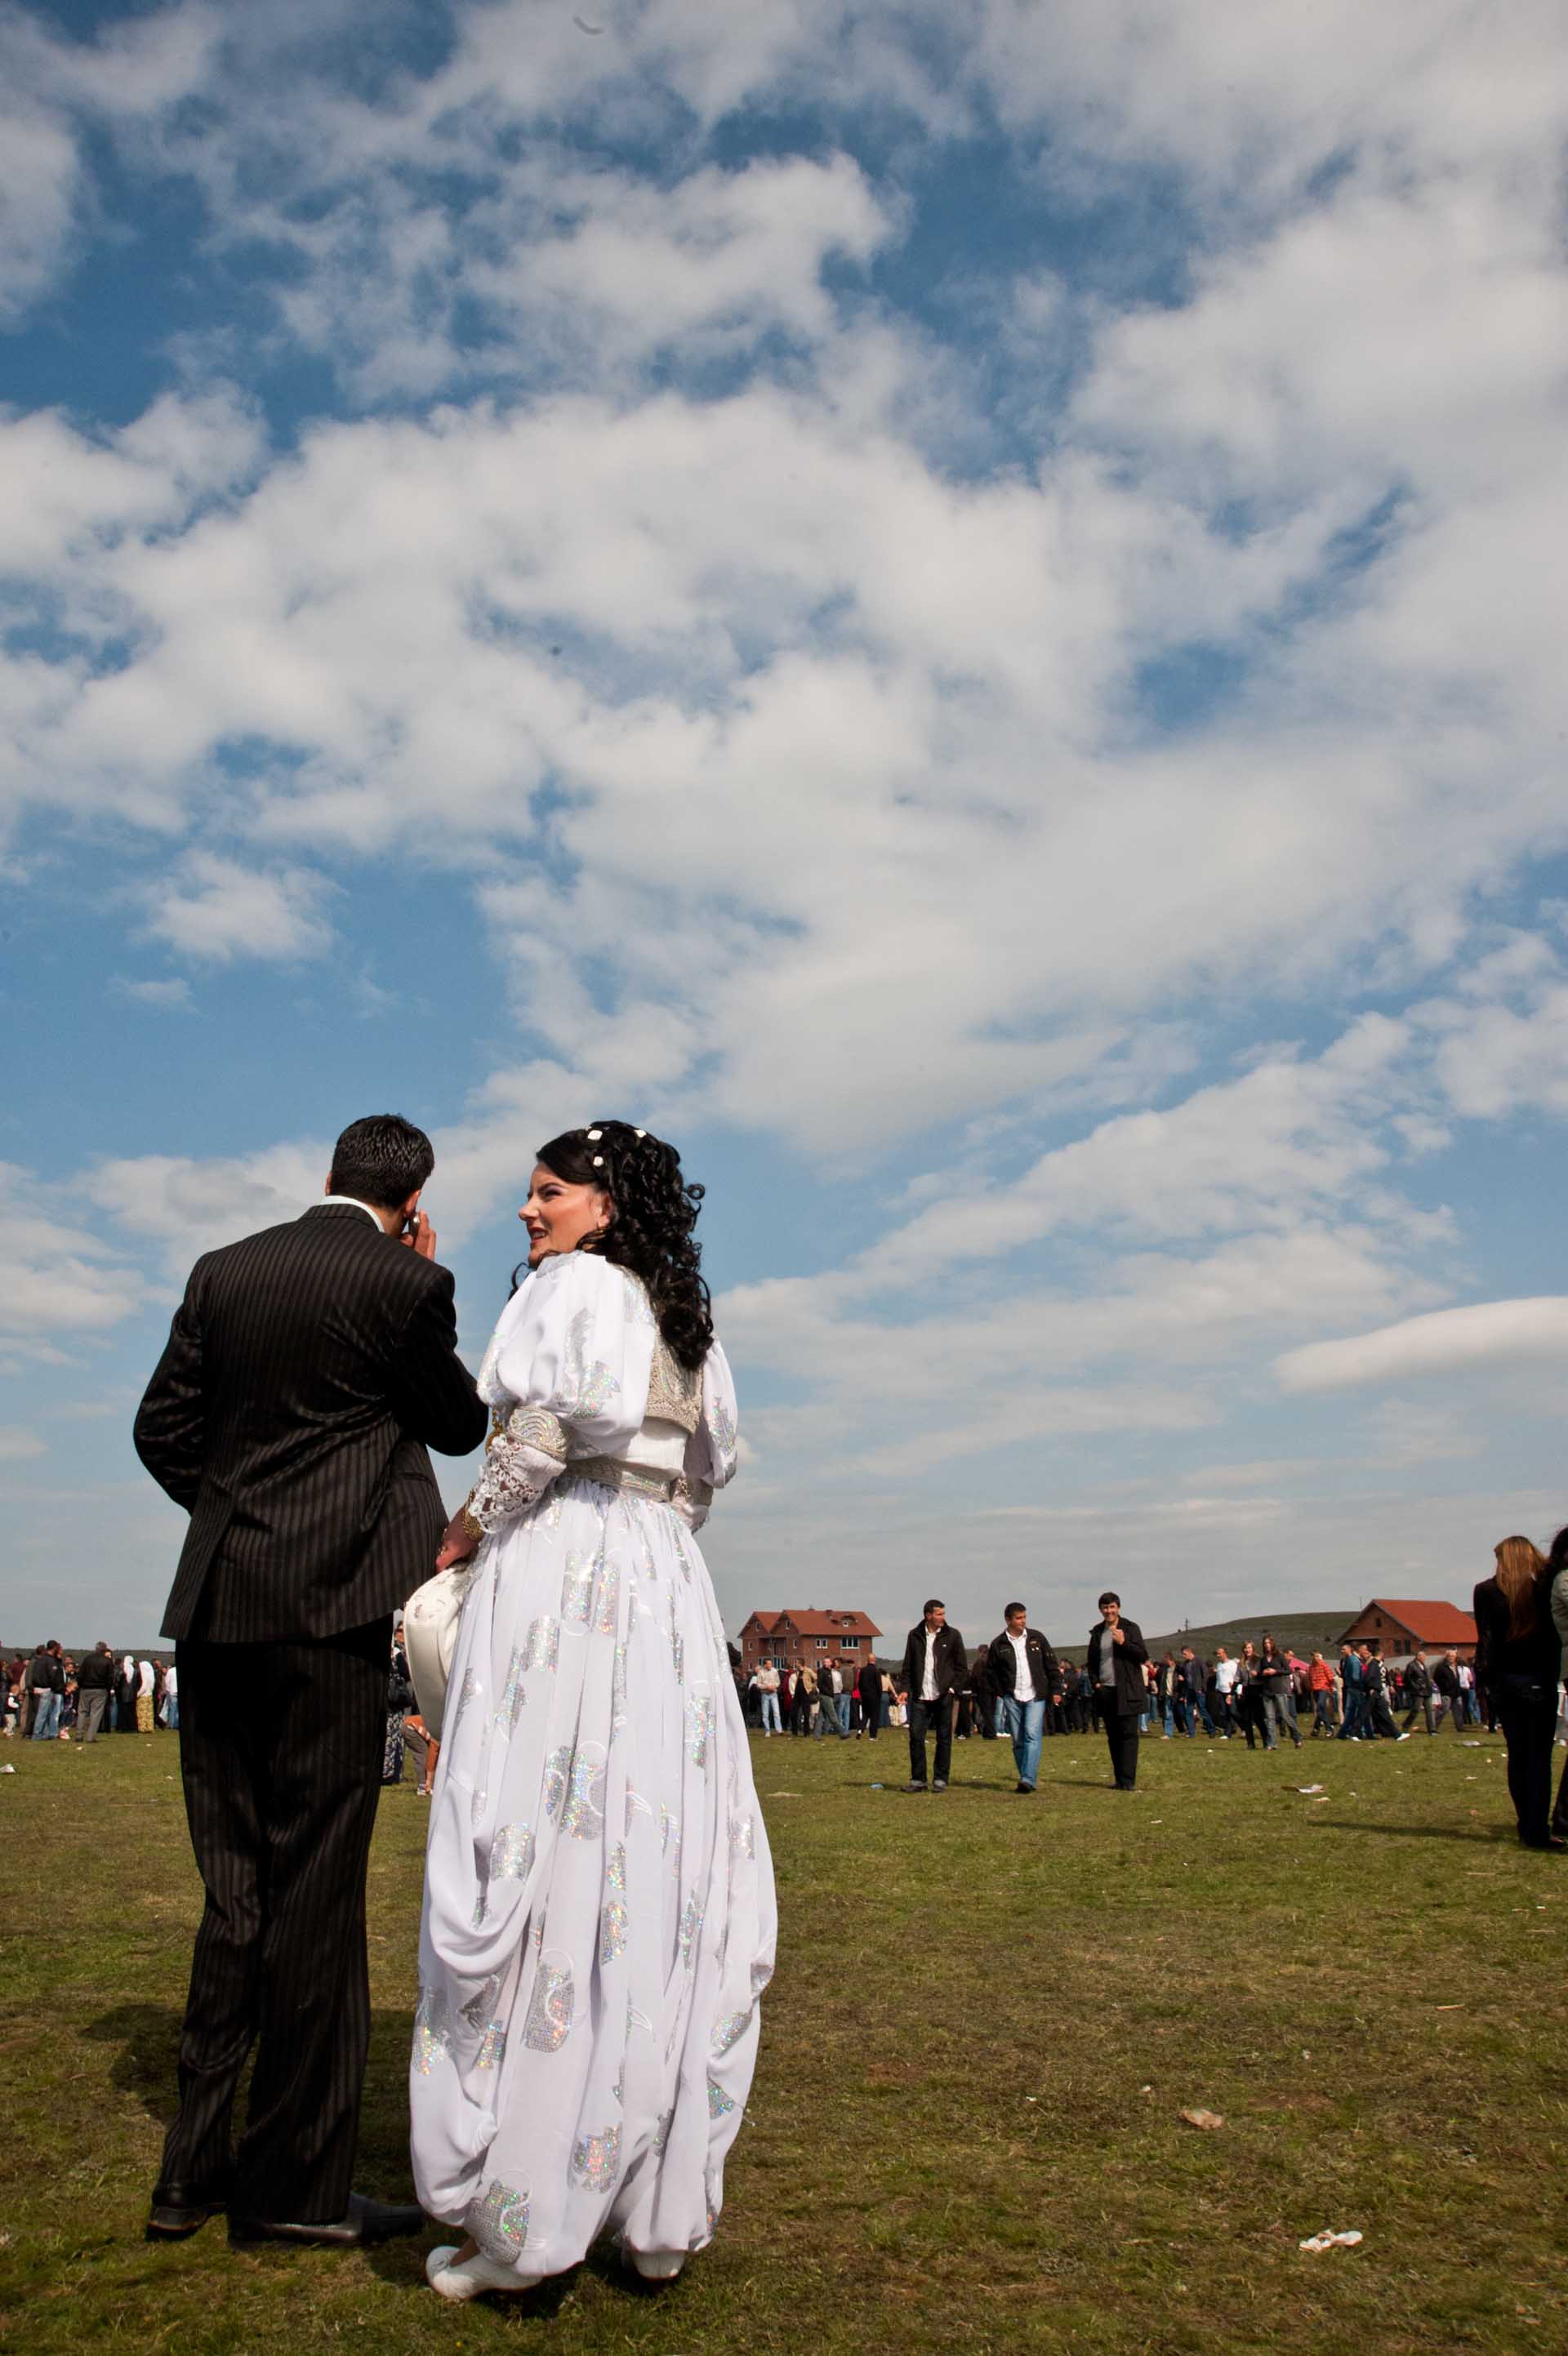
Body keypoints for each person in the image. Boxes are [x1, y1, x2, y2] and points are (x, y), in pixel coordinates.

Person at [410, 1120, 775, 2300]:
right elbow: (700, 1478)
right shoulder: (688, 1318)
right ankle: (656, 2212)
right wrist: (646, 1539)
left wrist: (463, 1534)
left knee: (553, 1849)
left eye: (549, 1191)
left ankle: (526, 2221)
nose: (530, 1211)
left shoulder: (572, 1289)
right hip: (666, 1585)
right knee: (662, 1871)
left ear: (604, 1206)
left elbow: (538, 1437)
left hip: (569, 1576)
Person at [134, 1111, 488, 2248]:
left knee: (234, 1889)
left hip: (221, 1605)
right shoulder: (405, 1283)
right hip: (332, 1610)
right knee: (317, 1896)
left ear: (329, 1172)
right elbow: (458, 1422)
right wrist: (417, 1275)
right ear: (412, 1200)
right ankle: (293, 2187)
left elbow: (161, 1429)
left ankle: (190, 2173)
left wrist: (240, 1512)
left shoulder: (223, 1269)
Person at [1473, 1535, 1563, 1851]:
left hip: (1504, 1682)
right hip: (1539, 1680)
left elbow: (1485, 1639)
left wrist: (1487, 1681)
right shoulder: (1542, 1590)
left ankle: (1526, 1824)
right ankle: (1537, 1829)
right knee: (1539, 1759)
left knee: (1518, 1755)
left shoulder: (1485, 1591)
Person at [987, 1605, 1058, 1794]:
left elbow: (1051, 1664)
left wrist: (1055, 1688)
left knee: (1032, 1734)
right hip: (1013, 1696)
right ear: (1008, 1620)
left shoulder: (1037, 1638)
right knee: (1018, 1739)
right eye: (1019, 1618)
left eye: (1024, 1617)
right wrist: (1001, 1691)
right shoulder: (998, 1644)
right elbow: (991, 1672)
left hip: (1035, 1695)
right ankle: (1026, 1776)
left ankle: (1027, 1779)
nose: (1023, 1621)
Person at [900, 1600, 968, 1793]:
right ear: (928, 1615)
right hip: (920, 1696)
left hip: (943, 1695)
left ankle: (940, 1779)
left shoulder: (953, 1635)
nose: (943, 1617)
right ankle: (918, 1780)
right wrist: (905, 1689)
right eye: (939, 1614)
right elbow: (908, 1665)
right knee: (916, 1736)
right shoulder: (914, 1636)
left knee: (944, 1738)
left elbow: (962, 1668)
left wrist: (953, 1689)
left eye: (943, 1613)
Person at [1087, 1593, 1148, 1792]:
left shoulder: (1131, 1628)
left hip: (1127, 1691)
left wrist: (1124, 1643)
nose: (1109, 1611)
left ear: (1118, 1608)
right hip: (1106, 1691)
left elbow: (1142, 1656)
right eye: (1105, 1608)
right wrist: (1096, 1684)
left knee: (1128, 1735)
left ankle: (1128, 1781)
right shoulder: (1098, 1631)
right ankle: (1119, 1779)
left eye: (1112, 1607)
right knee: (1113, 1736)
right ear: (1100, 1610)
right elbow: (1092, 1661)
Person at [1258, 1636, 1301, 1752]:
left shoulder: (1279, 1657)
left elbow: (1288, 1670)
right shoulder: (1263, 1659)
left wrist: (1275, 1671)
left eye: (1269, 1643)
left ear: (1272, 1644)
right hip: (1267, 1692)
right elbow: (1260, 1675)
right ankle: (1272, 1743)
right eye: (1265, 1643)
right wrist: (1263, 1673)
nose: (1267, 1645)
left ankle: (1297, 1737)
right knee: (1270, 1718)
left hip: (1279, 1691)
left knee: (1285, 1716)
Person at [1357, 1646, 1406, 1742]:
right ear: (1381, 1654)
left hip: (1377, 1691)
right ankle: (1354, 1732)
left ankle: (1396, 1734)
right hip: (1374, 1691)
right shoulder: (1374, 1664)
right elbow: (1368, 1677)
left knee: (1384, 1713)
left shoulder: (1374, 1663)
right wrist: (1369, 1688)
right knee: (1365, 1713)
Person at [73, 1641, 115, 1744]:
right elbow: (110, 1677)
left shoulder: (88, 1659)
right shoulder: (107, 1661)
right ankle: (90, 1737)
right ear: (105, 1650)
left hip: (86, 1689)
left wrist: (81, 1685)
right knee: (96, 1713)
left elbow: (80, 1674)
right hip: (100, 1689)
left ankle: (79, 1735)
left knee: (82, 1712)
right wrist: (108, 1688)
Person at [1401, 1652, 1436, 1735]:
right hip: (1418, 1691)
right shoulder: (1412, 1665)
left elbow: (1426, 1677)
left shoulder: (1424, 1666)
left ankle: (1432, 1729)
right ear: (1418, 1657)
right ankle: (1406, 1725)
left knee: (1430, 1710)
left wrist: (1430, 1682)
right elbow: (1407, 1678)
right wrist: (1416, 1686)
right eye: (1423, 1656)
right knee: (1416, 1709)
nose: (1425, 1658)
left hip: (1427, 1690)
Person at [1211, 1646, 1239, 1739]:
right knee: (1223, 1712)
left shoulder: (1232, 1664)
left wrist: (1237, 1690)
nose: (1218, 1655)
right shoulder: (1219, 1665)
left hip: (1230, 1691)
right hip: (1220, 1691)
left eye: (1220, 1653)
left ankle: (1244, 1726)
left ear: (1224, 1653)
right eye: (1217, 1654)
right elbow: (1218, 1678)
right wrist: (1217, 1687)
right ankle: (1227, 1733)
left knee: (1232, 1712)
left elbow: (1237, 1677)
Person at [855, 1654, 882, 1739]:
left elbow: (859, 1684)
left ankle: (860, 1729)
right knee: (874, 1716)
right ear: (874, 1660)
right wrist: (879, 1696)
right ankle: (872, 1736)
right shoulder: (876, 1671)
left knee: (865, 1714)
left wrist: (862, 1694)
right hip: (874, 1696)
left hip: (864, 1696)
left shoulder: (863, 1671)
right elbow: (879, 1685)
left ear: (868, 1660)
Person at [755, 1660, 782, 1737]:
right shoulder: (761, 1672)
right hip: (765, 1694)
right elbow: (758, 1684)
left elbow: (778, 1682)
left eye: (771, 1663)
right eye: (769, 1664)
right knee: (765, 1714)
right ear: (765, 1665)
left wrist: (774, 1686)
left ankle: (779, 1729)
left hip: (773, 1693)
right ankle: (767, 1731)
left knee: (776, 1712)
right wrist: (766, 1687)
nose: (770, 1665)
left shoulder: (775, 1671)